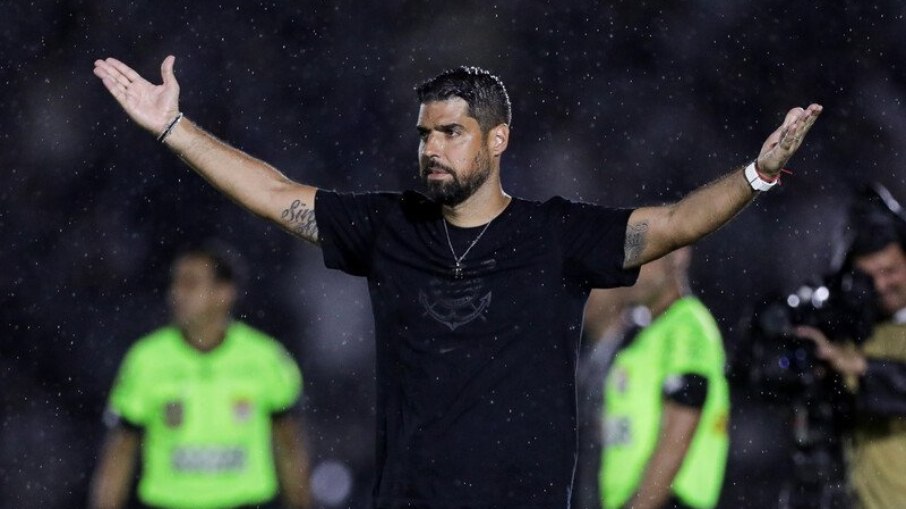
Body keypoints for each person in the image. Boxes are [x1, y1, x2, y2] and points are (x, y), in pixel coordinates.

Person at [91, 55, 821, 508]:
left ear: (497, 138)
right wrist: (173, 126)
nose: (431, 148)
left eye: (451, 132)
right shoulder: (389, 227)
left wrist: (759, 172)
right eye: (423, 133)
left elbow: (674, 224)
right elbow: (272, 190)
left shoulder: (554, 235)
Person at [89, 242, 311, 509]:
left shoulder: (266, 359)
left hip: (245, 504)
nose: (176, 294)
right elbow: (119, 453)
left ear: (224, 293)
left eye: (190, 284)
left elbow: (290, 446)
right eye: (176, 283)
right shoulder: (146, 359)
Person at [592, 247, 730, 509]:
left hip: (667, 502)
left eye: (644, 257)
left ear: (677, 257)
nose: (632, 269)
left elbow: (681, 424)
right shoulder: (640, 336)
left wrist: (641, 505)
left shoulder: (687, 327)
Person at [795, 187, 906, 509]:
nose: (882, 285)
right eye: (869, 276)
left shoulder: (857, 351)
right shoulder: (858, 330)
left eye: (890, 271)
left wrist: (860, 367)